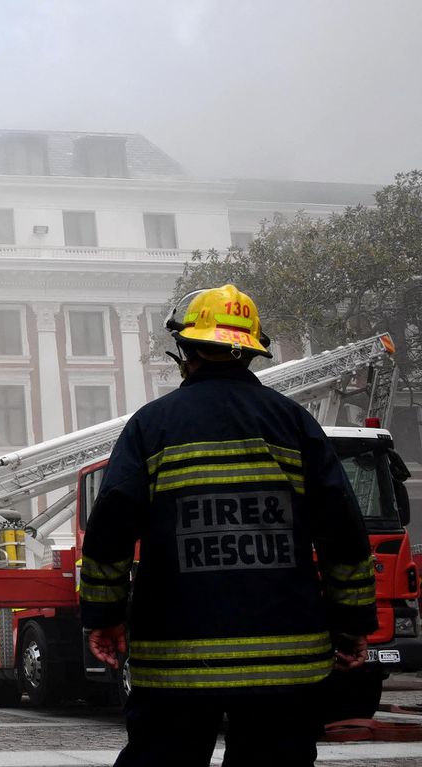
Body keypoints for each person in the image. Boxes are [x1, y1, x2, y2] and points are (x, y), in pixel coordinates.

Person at [80, 284, 377, 767]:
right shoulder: (295, 423)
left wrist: (104, 616)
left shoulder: (151, 426)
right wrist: (352, 624)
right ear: (250, 351)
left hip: (176, 664)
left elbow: (110, 526)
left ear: (186, 350)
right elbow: (342, 531)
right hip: (285, 664)